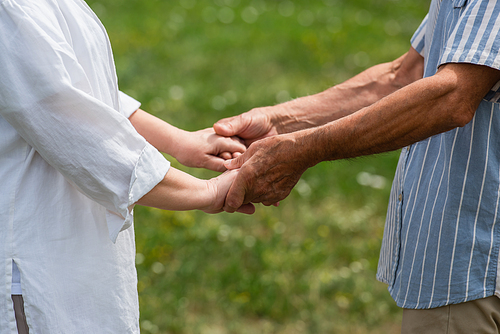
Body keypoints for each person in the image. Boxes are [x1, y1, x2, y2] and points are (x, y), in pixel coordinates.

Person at [214, 0, 500, 332]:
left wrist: (302, 150)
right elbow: (405, 74)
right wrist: (278, 121)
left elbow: (452, 96)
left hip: (474, 265)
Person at [0, 0, 254, 333]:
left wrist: (180, 141)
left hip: (74, 247)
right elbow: (71, 123)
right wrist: (208, 191)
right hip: (32, 266)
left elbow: (83, 90)